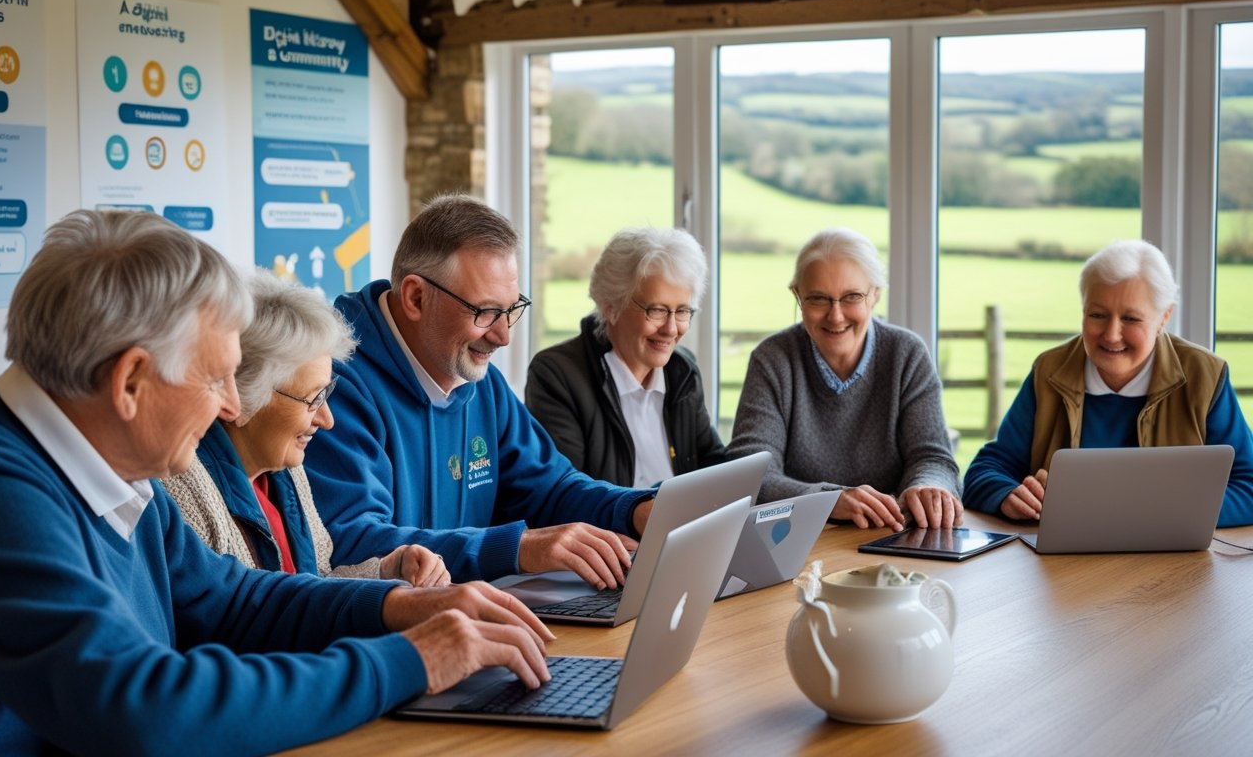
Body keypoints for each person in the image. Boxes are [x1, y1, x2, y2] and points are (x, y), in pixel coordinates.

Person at [0, 209, 554, 755]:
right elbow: (140, 707)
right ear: (131, 382)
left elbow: (236, 602)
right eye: (216, 377)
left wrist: (400, 608)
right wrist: (413, 660)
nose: (228, 407)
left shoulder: (111, 462)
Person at [305, 194, 656, 589]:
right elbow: (355, 544)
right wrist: (518, 548)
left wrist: (636, 510)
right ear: (416, 297)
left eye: (511, 309)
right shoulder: (333, 382)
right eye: (485, 312)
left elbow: (550, 487)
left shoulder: (473, 373)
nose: (503, 335)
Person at [161, 270, 449, 586]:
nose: (328, 420)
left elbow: (317, 582)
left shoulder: (287, 470)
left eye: (327, 394)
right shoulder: (183, 488)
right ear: (244, 396)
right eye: (312, 399)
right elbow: (234, 621)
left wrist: (387, 571)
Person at [963, 239, 1253, 526]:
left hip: (1173, 564)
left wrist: (1163, 512)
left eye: (1131, 318)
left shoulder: (1205, 375)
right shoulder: (1049, 372)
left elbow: (1248, 485)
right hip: (1063, 565)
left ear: (1164, 317)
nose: (1112, 335)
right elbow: (986, 470)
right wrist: (1007, 495)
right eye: (1097, 315)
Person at [727, 226, 962, 530]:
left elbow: (934, 458)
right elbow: (750, 475)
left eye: (851, 296)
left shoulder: (906, 354)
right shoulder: (772, 359)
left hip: (893, 538)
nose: (835, 316)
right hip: (800, 543)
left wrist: (928, 487)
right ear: (797, 296)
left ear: (875, 295)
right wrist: (828, 500)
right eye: (818, 299)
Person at [525, 227, 726, 487]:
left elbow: (712, 463)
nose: (671, 329)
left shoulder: (682, 369)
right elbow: (565, 493)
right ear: (611, 306)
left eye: (682, 311)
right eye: (657, 310)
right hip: (610, 528)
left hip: (682, 526)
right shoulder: (557, 375)